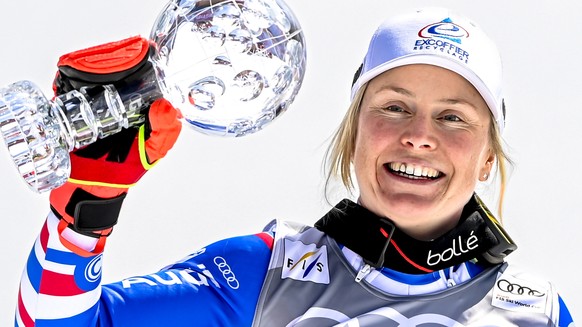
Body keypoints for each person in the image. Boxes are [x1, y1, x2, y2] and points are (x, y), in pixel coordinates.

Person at [14, 7, 575, 327]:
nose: (419, 137)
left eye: (453, 118)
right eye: (394, 108)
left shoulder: (538, 312)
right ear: (355, 136)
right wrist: (86, 212)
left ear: (487, 160)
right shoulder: (262, 274)